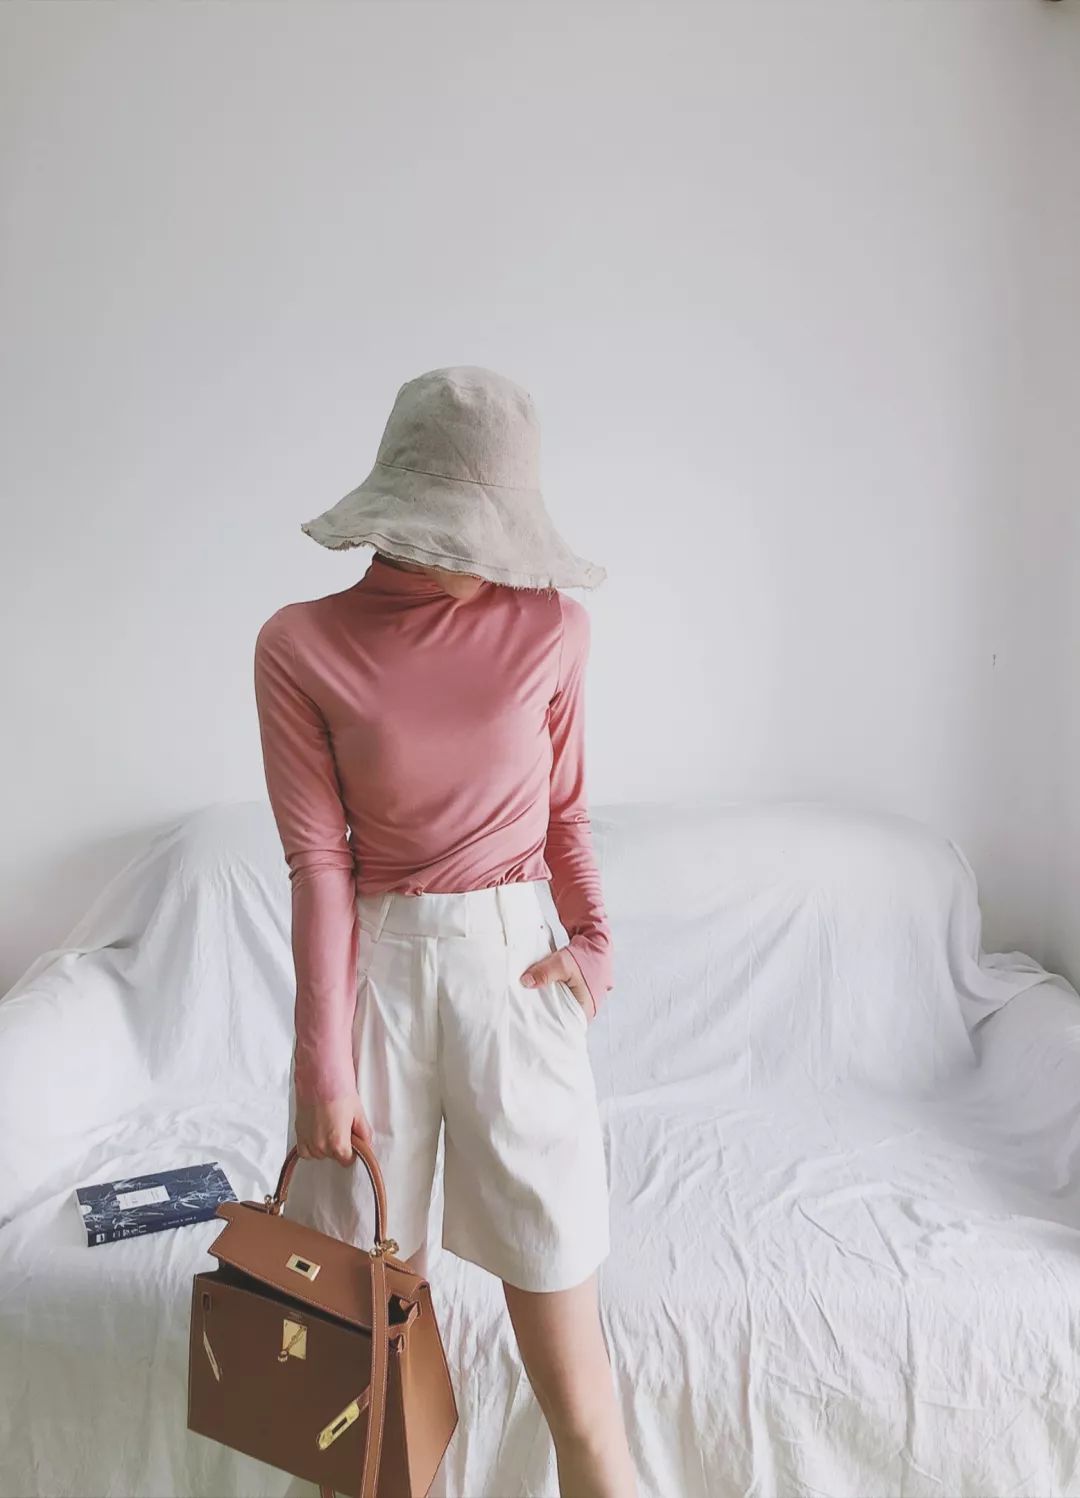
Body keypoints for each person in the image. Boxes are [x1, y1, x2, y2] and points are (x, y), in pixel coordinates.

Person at [253, 366, 637, 1498]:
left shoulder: (553, 627)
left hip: (515, 974)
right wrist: (321, 1064)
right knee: (369, 1388)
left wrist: (595, 943)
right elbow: (320, 862)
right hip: (374, 984)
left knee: (578, 1390)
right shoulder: (299, 643)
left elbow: (566, 813)